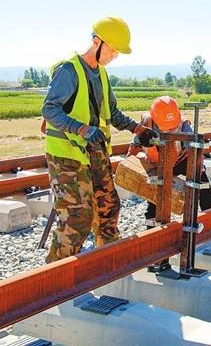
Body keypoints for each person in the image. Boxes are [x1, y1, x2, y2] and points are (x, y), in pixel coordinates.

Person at [41, 17, 155, 263]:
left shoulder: (101, 74)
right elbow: (49, 110)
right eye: (112, 49)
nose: (115, 55)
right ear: (96, 42)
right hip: (67, 155)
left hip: (95, 151)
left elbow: (112, 113)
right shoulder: (69, 71)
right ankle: (57, 275)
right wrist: (81, 129)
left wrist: (137, 129)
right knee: (77, 218)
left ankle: (108, 263)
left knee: (107, 208)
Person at [127, 96, 211, 229]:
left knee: (201, 183)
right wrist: (130, 163)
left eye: (172, 128)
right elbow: (134, 146)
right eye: (166, 129)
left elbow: (193, 146)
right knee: (155, 197)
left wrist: (197, 165)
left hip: (180, 160)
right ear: (155, 120)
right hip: (159, 164)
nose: (170, 131)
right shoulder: (146, 124)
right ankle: (152, 231)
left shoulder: (184, 125)